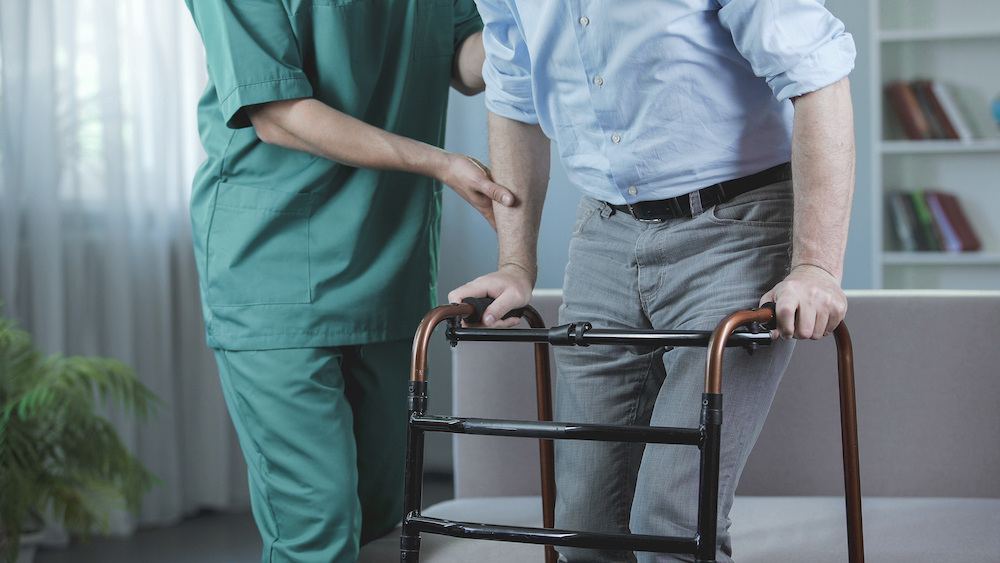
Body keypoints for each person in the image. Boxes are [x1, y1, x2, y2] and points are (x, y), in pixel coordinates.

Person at [448, 1, 856, 561]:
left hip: (738, 222)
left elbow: (819, 76)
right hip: (605, 229)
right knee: (584, 525)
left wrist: (815, 266)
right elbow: (513, 94)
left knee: (671, 519)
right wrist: (517, 263)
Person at [183, 2, 513, 561]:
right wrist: (440, 163)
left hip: (389, 264)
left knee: (376, 515)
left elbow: (465, 58)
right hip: (273, 269)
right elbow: (277, 111)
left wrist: (522, 26)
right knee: (318, 525)